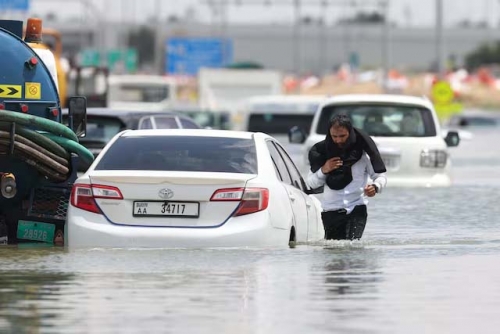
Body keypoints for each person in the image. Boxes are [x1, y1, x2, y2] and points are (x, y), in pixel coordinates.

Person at [307, 114, 387, 240]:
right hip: (331, 211)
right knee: (333, 252)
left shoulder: (362, 155)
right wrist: (324, 169)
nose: (338, 140)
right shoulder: (321, 153)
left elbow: (380, 176)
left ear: (350, 133)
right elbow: (311, 183)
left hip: (356, 208)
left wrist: (375, 187)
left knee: (353, 247)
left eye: (342, 136)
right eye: (334, 136)